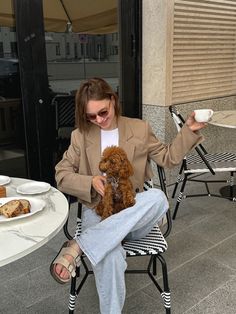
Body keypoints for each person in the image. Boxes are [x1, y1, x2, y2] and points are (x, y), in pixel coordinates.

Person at [50, 77, 206, 314]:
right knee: (110, 256)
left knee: (158, 198)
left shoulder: (139, 128)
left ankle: (79, 245)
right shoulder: (80, 136)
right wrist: (90, 181)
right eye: (91, 116)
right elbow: (61, 174)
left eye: (103, 112)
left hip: (133, 210)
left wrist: (189, 130)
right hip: (98, 210)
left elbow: (167, 158)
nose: (99, 120)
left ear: (113, 100)